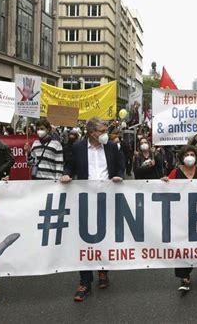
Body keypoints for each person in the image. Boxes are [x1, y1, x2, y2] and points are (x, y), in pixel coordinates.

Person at [60, 117, 125, 302]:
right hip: (85, 200)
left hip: (108, 199)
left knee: (105, 236)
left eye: (106, 130)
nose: (106, 134)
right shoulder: (78, 148)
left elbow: (121, 168)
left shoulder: (112, 147)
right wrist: (66, 174)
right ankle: (85, 282)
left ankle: (103, 269)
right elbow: (70, 166)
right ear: (91, 133)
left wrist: (119, 177)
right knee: (85, 240)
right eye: (102, 131)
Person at [161, 145, 197, 293]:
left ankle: (189, 268)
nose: (190, 157)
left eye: (192, 154)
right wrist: (162, 183)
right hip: (179, 216)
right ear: (182, 157)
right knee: (181, 245)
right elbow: (165, 189)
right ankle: (184, 276)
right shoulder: (175, 173)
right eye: (187, 154)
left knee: (193, 245)